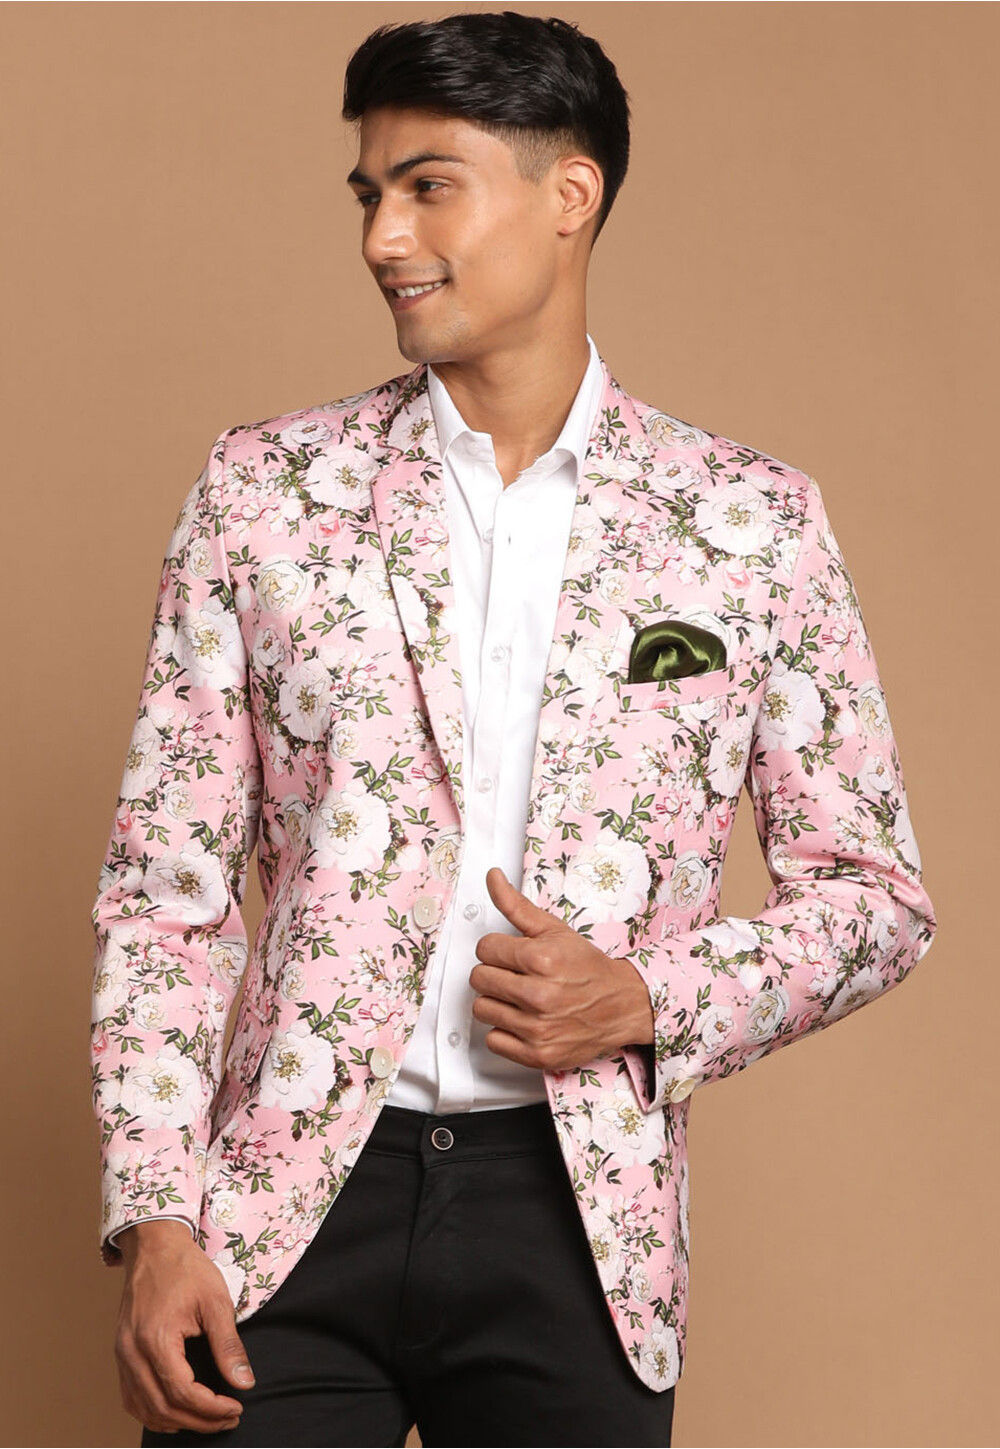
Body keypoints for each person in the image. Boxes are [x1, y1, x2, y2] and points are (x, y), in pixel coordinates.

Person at [89, 11, 937, 1447]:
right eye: (369, 193)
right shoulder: (263, 495)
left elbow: (877, 895)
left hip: (582, 1230)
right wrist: (157, 1217)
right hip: (279, 1218)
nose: (384, 237)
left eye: (429, 186)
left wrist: (652, 996)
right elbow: (164, 896)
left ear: (570, 194)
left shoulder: (746, 524)